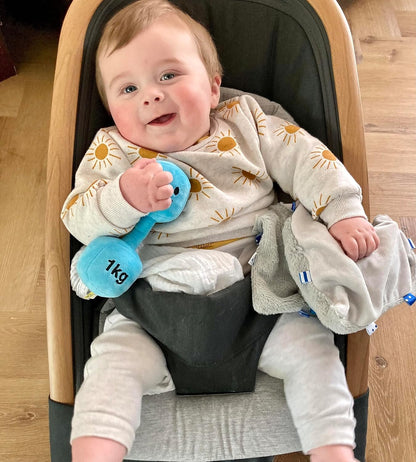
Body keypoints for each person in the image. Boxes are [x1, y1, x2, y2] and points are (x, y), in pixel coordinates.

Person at [62, 1, 380, 461]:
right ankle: (94, 452)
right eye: (128, 88)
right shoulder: (112, 152)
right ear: (110, 108)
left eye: (168, 76)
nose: (150, 95)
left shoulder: (246, 121)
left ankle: (333, 450)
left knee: (314, 352)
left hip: (261, 294)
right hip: (153, 306)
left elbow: (309, 159)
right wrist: (122, 198)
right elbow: (77, 217)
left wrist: (343, 211)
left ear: (213, 88)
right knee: (113, 365)